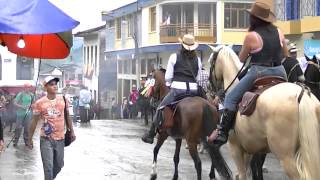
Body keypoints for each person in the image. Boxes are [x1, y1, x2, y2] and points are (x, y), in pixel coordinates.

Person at [208, 2, 288, 147]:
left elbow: (241, 59)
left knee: (231, 98)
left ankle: (222, 132)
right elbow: (285, 54)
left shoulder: (251, 36)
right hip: (280, 71)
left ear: (254, 19)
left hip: (259, 72)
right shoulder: (279, 32)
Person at [141, 34, 202, 144]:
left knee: (160, 107)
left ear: (182, 45)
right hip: (193, 91)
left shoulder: (174, 57)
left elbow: (168, 77)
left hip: (178, 90)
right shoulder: (197, 60)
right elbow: (198, 78)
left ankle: (151, 134)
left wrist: (170, 84)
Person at [28, 76, 76, 180]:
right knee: (48, 167)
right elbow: (34, 121)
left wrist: (72, 131)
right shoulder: (39, 103)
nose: (54, 86)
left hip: (60, 138)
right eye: (51, 84)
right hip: (46, 139)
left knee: (59, 165)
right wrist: (29, 138)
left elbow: (67, 116)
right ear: (46, 88)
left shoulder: (63, 99)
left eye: (55, 84)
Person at [13, 83, 35, 147]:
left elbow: (34, 103)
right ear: (24, 88)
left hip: (28, 114)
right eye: (27, 87)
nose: (28, 88)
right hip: (20, 114)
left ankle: (26, 142)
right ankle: (16, 141)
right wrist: (22, 106)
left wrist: (31, 106)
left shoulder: (31, 95)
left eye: (29, 87)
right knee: (18, 128)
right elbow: (15, 103)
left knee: (27, 128)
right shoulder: (20, 94)